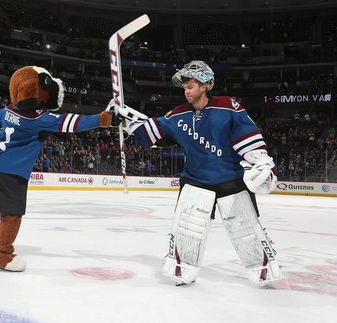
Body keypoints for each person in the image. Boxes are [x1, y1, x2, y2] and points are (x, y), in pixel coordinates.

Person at [111, 60, 280, 286]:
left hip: (231, 179)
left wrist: (261, 164)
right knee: (187, 229)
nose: (186, 90)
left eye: (190, 85)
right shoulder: (177, 115)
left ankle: (263, 270)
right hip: (195, 180)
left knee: (246, 229)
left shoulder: (228, 107)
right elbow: (150, 132)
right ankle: (183, 269)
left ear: (205, 85)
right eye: (184, 86)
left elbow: (248, 140)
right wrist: (125, 119)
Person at [0, 66, 113, 272]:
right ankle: (2, 254)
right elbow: (73, 122)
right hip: (11, 170)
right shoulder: (40, 119)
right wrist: (104, 119)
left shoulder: (5, 111)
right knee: (10, 214)